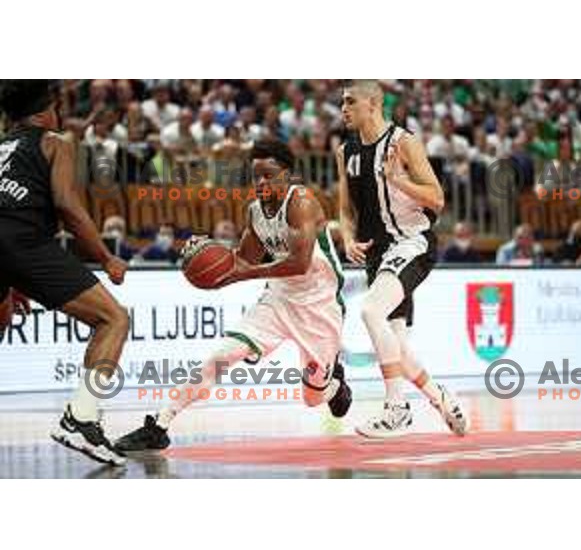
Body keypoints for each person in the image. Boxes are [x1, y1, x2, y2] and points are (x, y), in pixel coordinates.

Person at [115, 140, 351, 451]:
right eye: (256, 176)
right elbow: (245, 259)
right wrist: (206, 252)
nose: (261, 182)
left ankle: (333, 384)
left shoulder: (302, 202)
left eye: (268, 175)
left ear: (288, 174)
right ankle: (159, 425)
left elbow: (299, 263)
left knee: (311, 399)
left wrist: (241, 275)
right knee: (220, 357)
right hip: (278, 300)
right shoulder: (255, 211)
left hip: (319, 306)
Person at [0, 80, 129, 465]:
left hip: (9, 249)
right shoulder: (55, 142)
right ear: (48, 110)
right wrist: (107, 257)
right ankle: (81, 418)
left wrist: (10, 277)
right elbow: (68, 206)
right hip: (22, 241)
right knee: (113, 319)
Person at [338, 80, 467, 438]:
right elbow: (346, 209)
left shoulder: (403, 142)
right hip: (377, 253)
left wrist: (399, 181)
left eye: (350, 102)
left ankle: (397, 409)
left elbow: (437, 199)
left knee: (370, 311)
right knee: (397, 345)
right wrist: (348, 237)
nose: (343, 109)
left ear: (373, 104)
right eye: (342, 103)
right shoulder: (344, 151)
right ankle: (440, 398)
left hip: (412, 242)